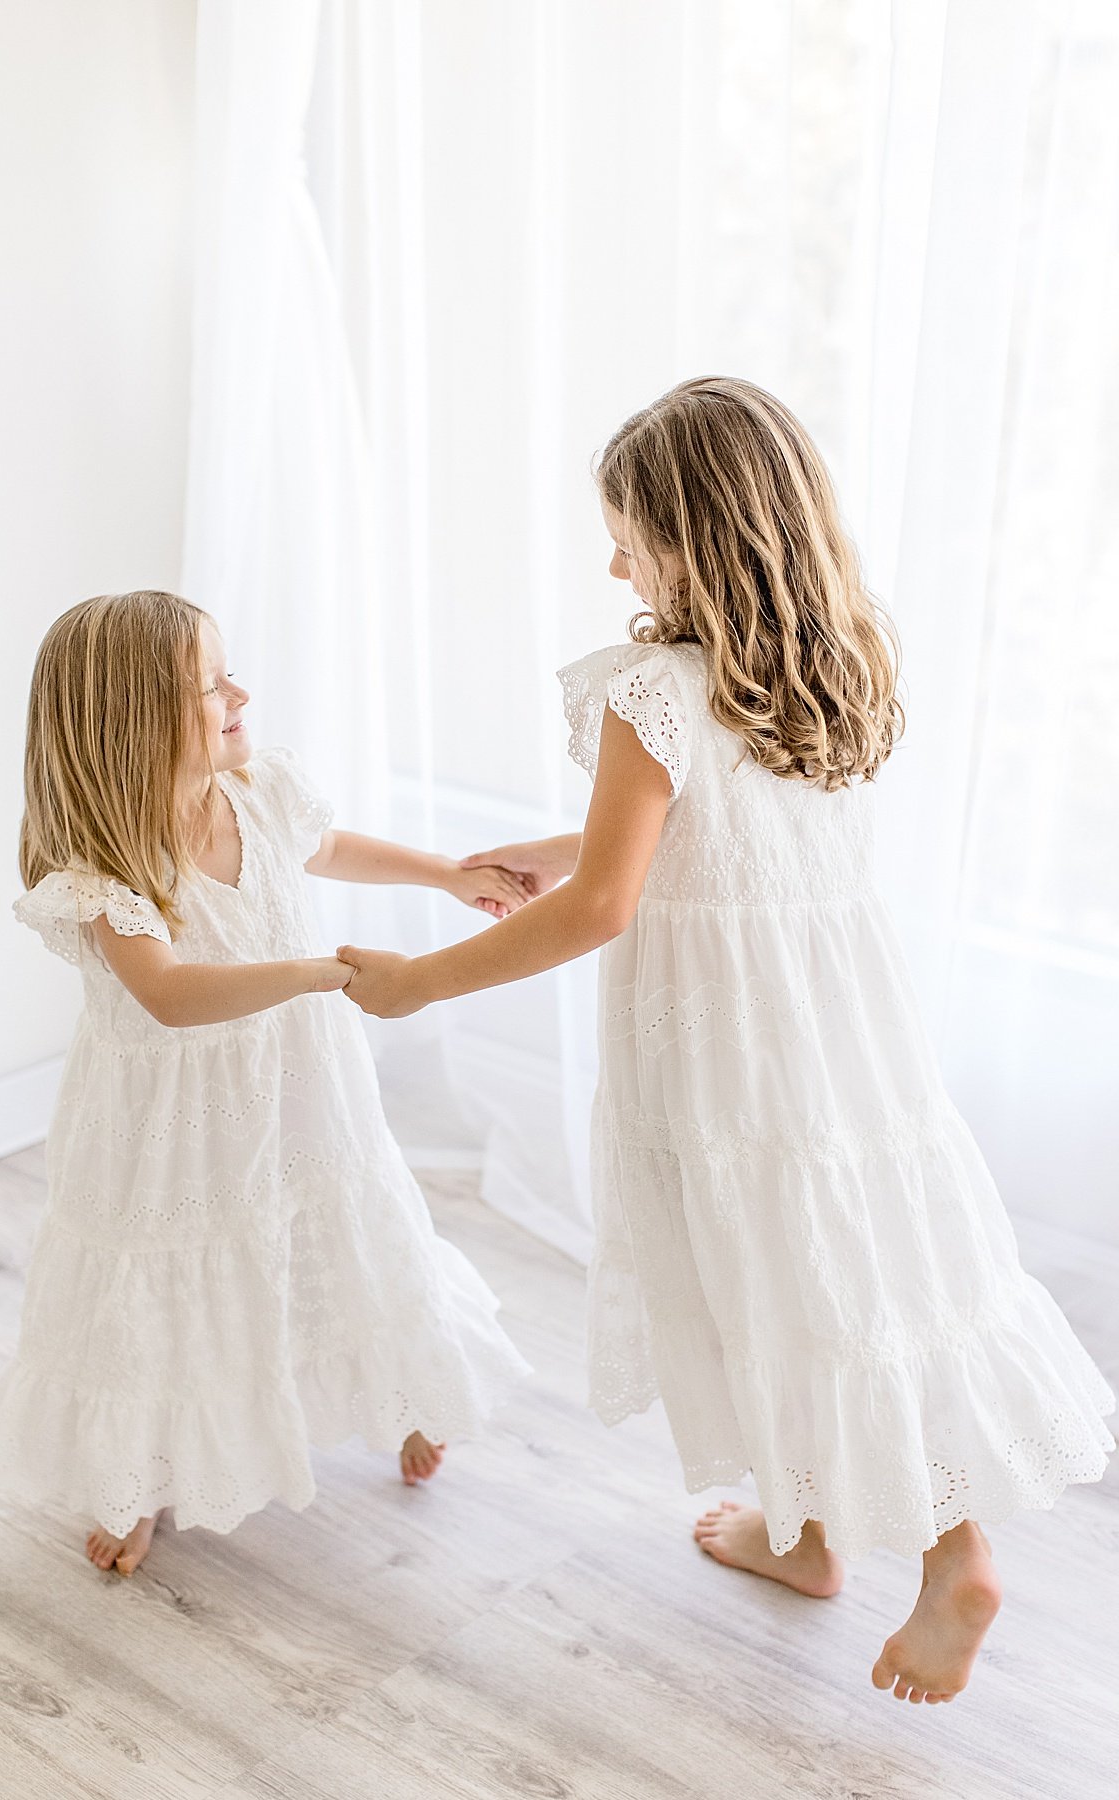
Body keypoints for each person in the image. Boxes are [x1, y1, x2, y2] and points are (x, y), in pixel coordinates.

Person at [337, 377, 1115, 1704]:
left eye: (629, 530)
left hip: (723, 1049)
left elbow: (607, 898)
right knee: (844, 1263)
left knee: (787, 1275)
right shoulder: (829, 659)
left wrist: (424, 981)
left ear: (699, 537)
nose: (613, 558)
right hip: (841, 1039)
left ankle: (955, 1555)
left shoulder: (651, 687)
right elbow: (696, 839)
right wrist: (504, 860)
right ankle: (810, 1529)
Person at [0, 590, 530, 1576]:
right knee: (165, 1280)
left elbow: (326, 847)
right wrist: (324, 973)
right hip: (170, 1132)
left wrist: (446, 873)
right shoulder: (110, 868)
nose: (240, 691)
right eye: (211, 684)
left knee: (339, 1226)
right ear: (137, 723)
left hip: (301, 1090)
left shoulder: (261, 792)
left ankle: (396, 1387)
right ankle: (140, 1471)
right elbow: (171, 995)